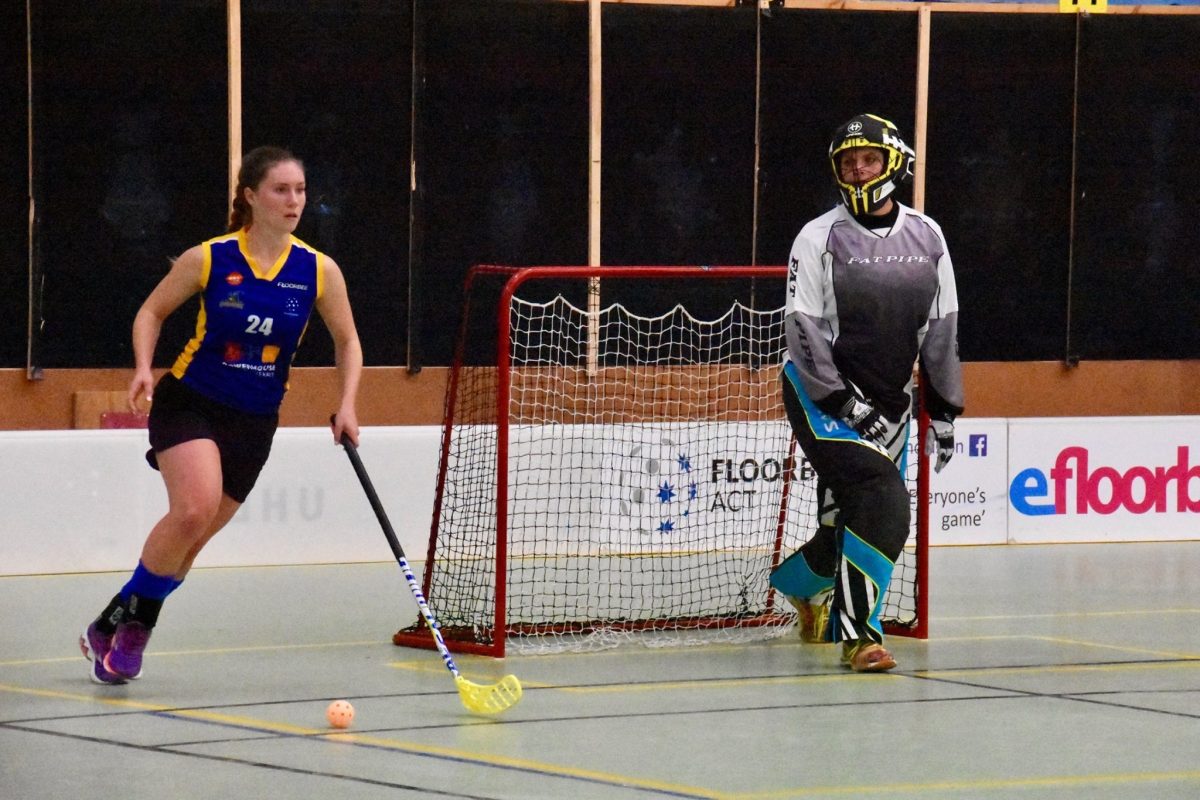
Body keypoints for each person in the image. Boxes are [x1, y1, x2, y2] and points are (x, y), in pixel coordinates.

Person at [79, 146, 363, 684]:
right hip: (192, 402)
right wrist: (143, 367)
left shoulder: (318, 270)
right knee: (192, 510)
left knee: (195, 539)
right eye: (281, 190)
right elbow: (152, 311)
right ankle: (136, 634)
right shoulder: (209, 258)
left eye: (301, 190)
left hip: (255, 420)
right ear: (250, 197)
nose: (294, 200)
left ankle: (109, 622)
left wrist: (347, 404)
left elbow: (348, 341)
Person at [769, 114, 964, 672]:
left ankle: (799, 585)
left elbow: (941, 324)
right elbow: (802, 327)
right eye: (848, 161)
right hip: (820, 394)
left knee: (846, 525)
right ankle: (858, 636)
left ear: (894, 163)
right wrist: (841, 402)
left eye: (869, 159)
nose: (858, 169)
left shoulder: (928, 234)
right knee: (882, 499)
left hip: (891, 398)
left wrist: (943, 410)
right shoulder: (817, 236)